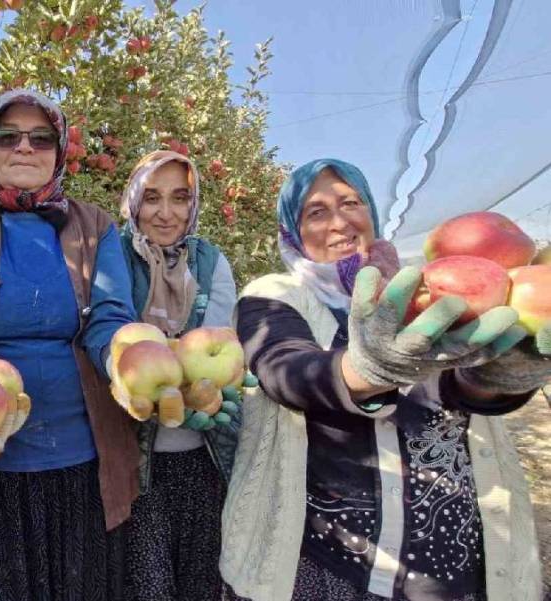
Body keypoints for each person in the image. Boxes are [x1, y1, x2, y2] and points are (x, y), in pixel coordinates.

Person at [219, 158, 548, 601]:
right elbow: (286, 373)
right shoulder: (275, 294)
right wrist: (369, 369)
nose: (339, 222)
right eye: (316, 212)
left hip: (445, 559)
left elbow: (460, 389)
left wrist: (503, 373)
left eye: (350, 203)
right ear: (293, 231)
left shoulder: (427, 290)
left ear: (370, 212)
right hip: (329, 558)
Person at [0, 88, 138, 601]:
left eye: (41, 138)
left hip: (82, 461)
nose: (23, 147)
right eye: (7, 136)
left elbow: (109, 316)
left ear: (59, 152)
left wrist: (125, 357)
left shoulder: (95, 226)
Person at [115, 150, 239, 600]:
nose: (165, 213)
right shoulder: (114, 258)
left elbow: (221, 347)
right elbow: (108, 337)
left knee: (200, 584)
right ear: (133, 202)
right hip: (135, 461)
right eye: (151, 198)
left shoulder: (210, 262)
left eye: (180, 198)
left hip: (204, 457)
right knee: (148, 585)